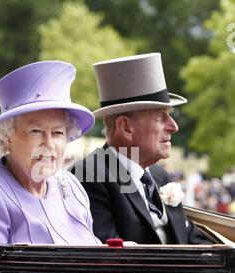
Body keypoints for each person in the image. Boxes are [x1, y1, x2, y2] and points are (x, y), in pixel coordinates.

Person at [0, 60, 101, 246]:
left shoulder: (71, 187)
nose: (49, 144)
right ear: (7, 137)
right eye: (36, 131)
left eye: (58, 133)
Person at [71, 53, 210, 244]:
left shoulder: (159, 175)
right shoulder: (88, 176)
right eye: (161, 117)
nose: (174, 126)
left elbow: (191, 238)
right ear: (125, 127)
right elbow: (113, 260)